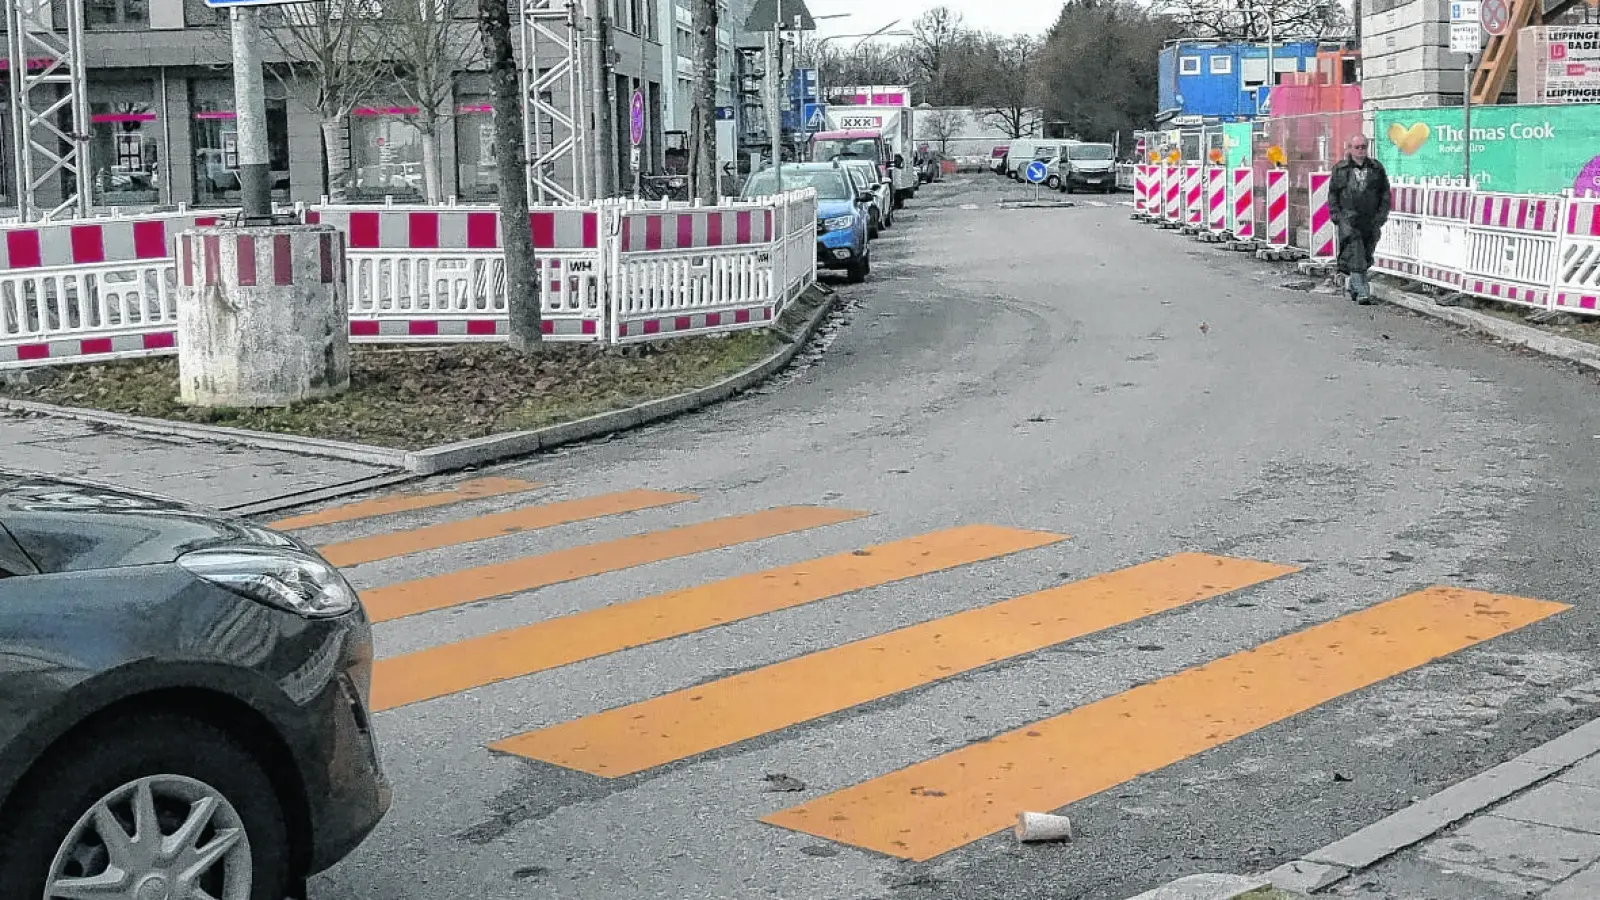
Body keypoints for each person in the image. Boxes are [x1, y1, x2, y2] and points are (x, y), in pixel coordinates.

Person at [1328, 134, 1392, 305]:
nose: (1361, 150)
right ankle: (1363, 291)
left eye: (1364, 147)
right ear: (1350, 149)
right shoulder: (1340, 169)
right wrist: (1337, 216)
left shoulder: (1376, 169)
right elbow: (1333, 194)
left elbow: (1385, 193)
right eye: (1357, 147)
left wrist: (1381, 215)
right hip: (1348, 219)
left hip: (1370, 220)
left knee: (1366, 255)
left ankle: (1353, 286)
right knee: (1356, 253)